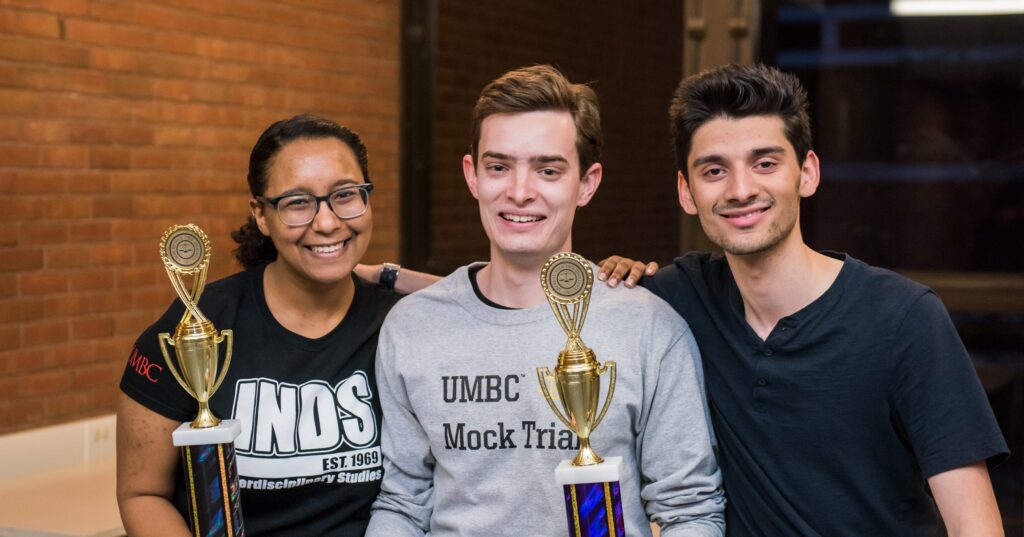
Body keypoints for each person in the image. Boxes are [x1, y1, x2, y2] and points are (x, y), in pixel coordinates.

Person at [599, 63, 1008, 535]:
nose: (741, 189)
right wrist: (616, 277)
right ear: (686, 192)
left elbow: (976, 528)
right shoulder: (675, 302)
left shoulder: (904, 319)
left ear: (808, 173)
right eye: (714, 170)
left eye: (765, 163)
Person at [366, 65, 726, 536]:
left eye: (548, 170)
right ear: (472, 175)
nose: (519, 192)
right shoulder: (412, 327)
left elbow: (689, 510)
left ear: (587, 183)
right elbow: (403, 502)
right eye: (498, 167)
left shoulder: (649, 327)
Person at [116, 114, 434, 535]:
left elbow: (492, 300)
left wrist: (390, 276)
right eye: (297, 202)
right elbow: (142, 493)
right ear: (262, 215)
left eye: (345, 195)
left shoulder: (402, 324)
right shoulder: (199, 325)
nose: (326, 222)